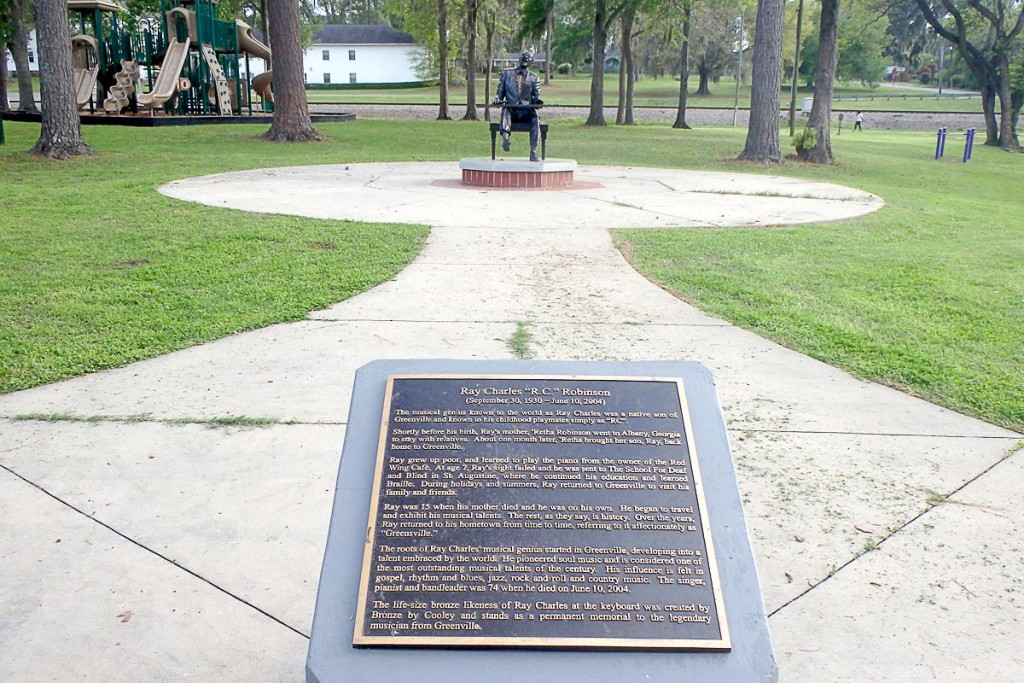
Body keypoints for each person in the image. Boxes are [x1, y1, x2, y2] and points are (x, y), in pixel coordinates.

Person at [493, 51, 544, 161]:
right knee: (505, 110)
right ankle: (505, 138)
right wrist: (498, 99)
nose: (525, 60)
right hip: (511, 109)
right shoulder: (507, 74)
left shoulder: (534, 78)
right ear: (519, 60)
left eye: (528, 59)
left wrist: (538, 102)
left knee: (535, 118)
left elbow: (536, 96)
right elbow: (500, 91)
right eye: (523, 58)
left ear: (531, 62)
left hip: (526, 110)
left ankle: (533, 151)